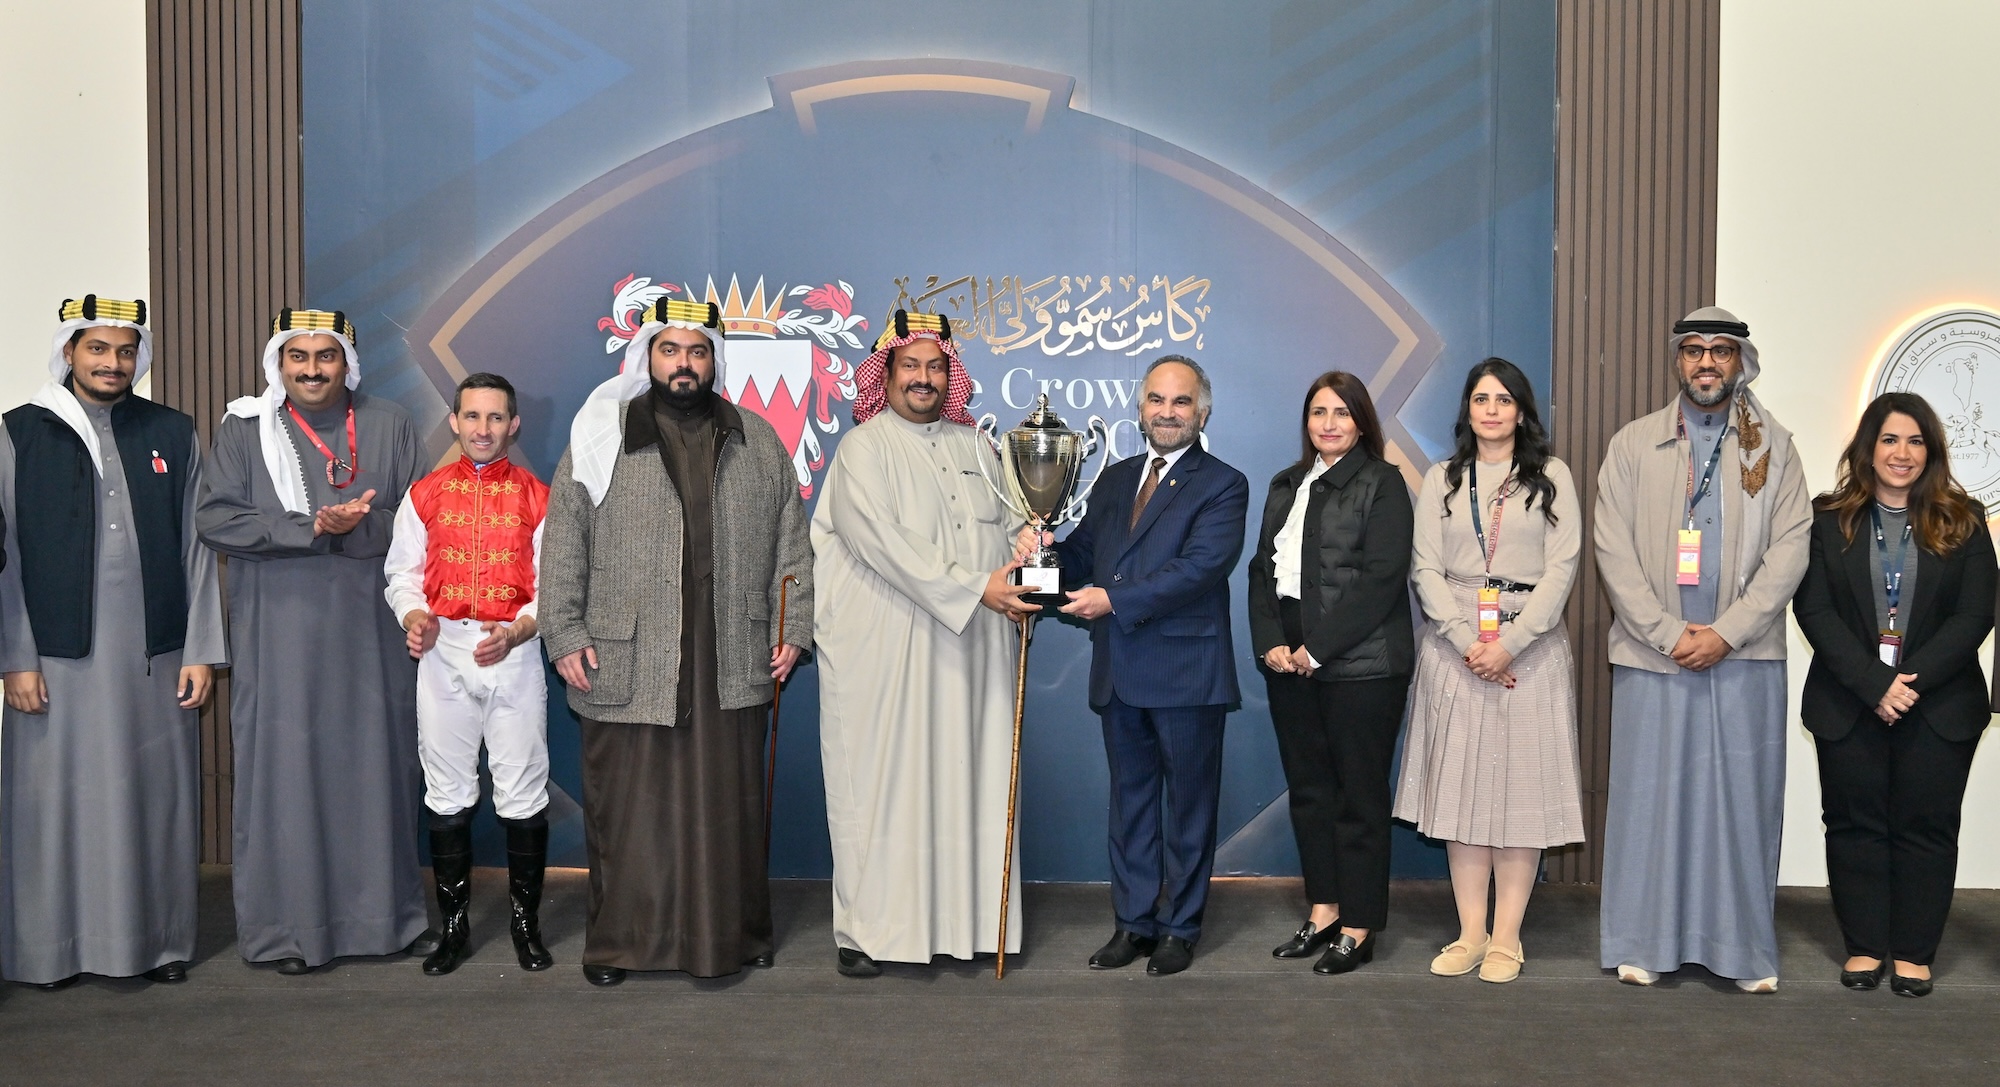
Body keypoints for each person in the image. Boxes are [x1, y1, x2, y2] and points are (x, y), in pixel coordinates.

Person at [540, 297, 811, 984]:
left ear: (714, 360)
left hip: (730, 655)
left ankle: (734, 937)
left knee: (728, 809)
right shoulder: (602, 432)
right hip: (628, 655)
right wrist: (563, 631)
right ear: (648, 357)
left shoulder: (756, 438)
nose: (683, 363)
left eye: (696, 351)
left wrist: (793, 627)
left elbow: (792, 543)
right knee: (630, 812)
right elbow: (565, 537)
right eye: (670, 350)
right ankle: (619, 946)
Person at [196, 308, 434, 975]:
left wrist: (357, 527)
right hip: (281, 636)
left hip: (372, 634)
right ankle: (290, 931)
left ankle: (388, 922)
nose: (310, 370)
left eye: (324, 356)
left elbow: (421, 520)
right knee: (289, 774)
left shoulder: (390, 423)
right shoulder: (245, 428)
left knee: (376, 770)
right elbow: (216, 518)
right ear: (279, 363)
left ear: (347, 363)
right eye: (297, 357)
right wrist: (310, 528)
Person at [0, 295, 225, 990]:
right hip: (54, 661)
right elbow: (4, 556)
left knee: (150, 800)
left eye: (126, 351)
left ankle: (156, 943)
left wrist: (200, 648)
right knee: (54, 805)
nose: (113, 363)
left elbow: (197, 549)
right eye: (97, 348)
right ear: (69, 351)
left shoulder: (172, 432)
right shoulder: (19, 433)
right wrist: (15, 658)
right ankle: (50, 951)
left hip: (155, 657)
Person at [812, 310, 1037, 978]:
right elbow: (884, 545)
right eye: (909, 365)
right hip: (891, 653)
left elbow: (1012, 526)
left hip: (974, 649)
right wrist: (976, 586)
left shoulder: (979, 448)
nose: (924, 378)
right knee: (888, 790)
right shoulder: (864, 449)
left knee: (972, 781)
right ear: (885, 376)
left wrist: (1028, 549)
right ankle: (869, 932)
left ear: (950, 376)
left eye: (936, 367)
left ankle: (967, 926)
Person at [1594, 307, 1810, 992]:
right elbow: (1612, 548)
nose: (1707, 362)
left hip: (1743, 656)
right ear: (1678, 361)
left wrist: (1728, 630)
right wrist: (1667, 632)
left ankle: (1740, 951)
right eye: (1694, 350)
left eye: (1720, 350)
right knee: (1651, 802)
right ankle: (1643, 941)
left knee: (1739, 806)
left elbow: (1791, 548)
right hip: (1653, 655)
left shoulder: (1774, 447)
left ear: (1741, 360)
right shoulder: (1634, 444)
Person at [1038, 354, 1249, 977]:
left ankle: (1179, 928)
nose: (1167, 412)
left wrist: (1112, 600)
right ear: (1140, 409)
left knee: (1188, 809)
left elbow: (1198, 569)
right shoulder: (1115, 479)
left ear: (1202, 412)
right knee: (1129, 807)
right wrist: (1039, 559)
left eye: (1181, 402)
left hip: (1187, 674)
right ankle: (1133, 923)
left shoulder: (1223, 483)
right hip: (1120, 672)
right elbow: (1082, 554)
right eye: (1156, 400)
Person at [1792, 392, 1994, 999]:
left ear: (1930, 451)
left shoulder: (1964, 518)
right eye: (1889, 439)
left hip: (1939, 704)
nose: (1901, 453)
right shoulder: (1827, 519)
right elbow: (1814, 609)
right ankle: (1863, 946)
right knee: (1853, 825)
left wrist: (1908, 684)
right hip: (1849, 699)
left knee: (1925, 827)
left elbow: (1975, 614)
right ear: (1868, 448)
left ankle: (1913, 952)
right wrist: (1874, 683)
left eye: (1914, 441)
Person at [1393, 358, 1583, 984]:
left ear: (1521, 411)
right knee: (1462, 792)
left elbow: (1562, 569)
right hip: (1455, 649)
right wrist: (1467, 641)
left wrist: (1512, 644)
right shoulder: (1443, 479)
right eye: (1481, 399)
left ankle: (1507, 937)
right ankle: (1471, 932)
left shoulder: (1552, 477)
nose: (1492, 410)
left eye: (1504, 400)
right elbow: (1424, 568)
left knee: (1519, 792)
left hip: (1532, 649)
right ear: (1467, 410)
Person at [384, 372, 553, 976]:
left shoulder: (539, 497)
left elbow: (554, 586)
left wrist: (519, 631)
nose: (483, 429)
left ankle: (526, 927)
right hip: (444, 653)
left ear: (514, 425)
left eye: (495, 417)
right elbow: (401, 574)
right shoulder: (424, 494)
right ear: (454, 421)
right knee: (447, 792)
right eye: (473, 417)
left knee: (523, 791)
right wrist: (415, 617)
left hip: (514, 653)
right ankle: (453, 929)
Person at [1245, 370, 1411, 977]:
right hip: (1289, 665)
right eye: (1319, 412)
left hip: (1361, 668)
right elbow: (1261, 572)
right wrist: (1271, 643)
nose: (1329, 423)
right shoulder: (1285, 484)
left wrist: (1314, 650)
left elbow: (1380, 580)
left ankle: (1359, 925)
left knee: (1358, 797)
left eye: (1342, 412)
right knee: (1311, 793)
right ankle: (1324, 911)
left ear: (1362, 422)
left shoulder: (1383, 483)